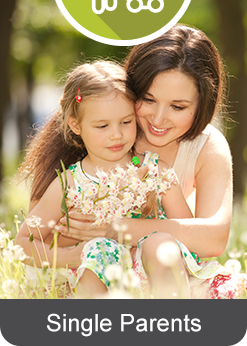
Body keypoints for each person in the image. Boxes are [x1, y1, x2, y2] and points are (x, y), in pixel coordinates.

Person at [58, 24, 247, 299]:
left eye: (178, 107)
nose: (158, 119)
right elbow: (45, 231)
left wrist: (122, 228)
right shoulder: (103, 129)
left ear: (202, 104)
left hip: (168, 276)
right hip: (100, 276)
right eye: (148, 99)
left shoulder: (206, 146)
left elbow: (213, 239)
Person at [15, 59, 193, 298]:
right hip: (91, 279)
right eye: (102, 126)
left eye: (126, 122)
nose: (117, 135)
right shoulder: (70, 183)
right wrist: (75, 255)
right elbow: (23, 243)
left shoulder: (156, 171)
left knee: (162, 244)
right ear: (75, 125)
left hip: (151, 278)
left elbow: (189, 234)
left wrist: (145, 226)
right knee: (98, 250)